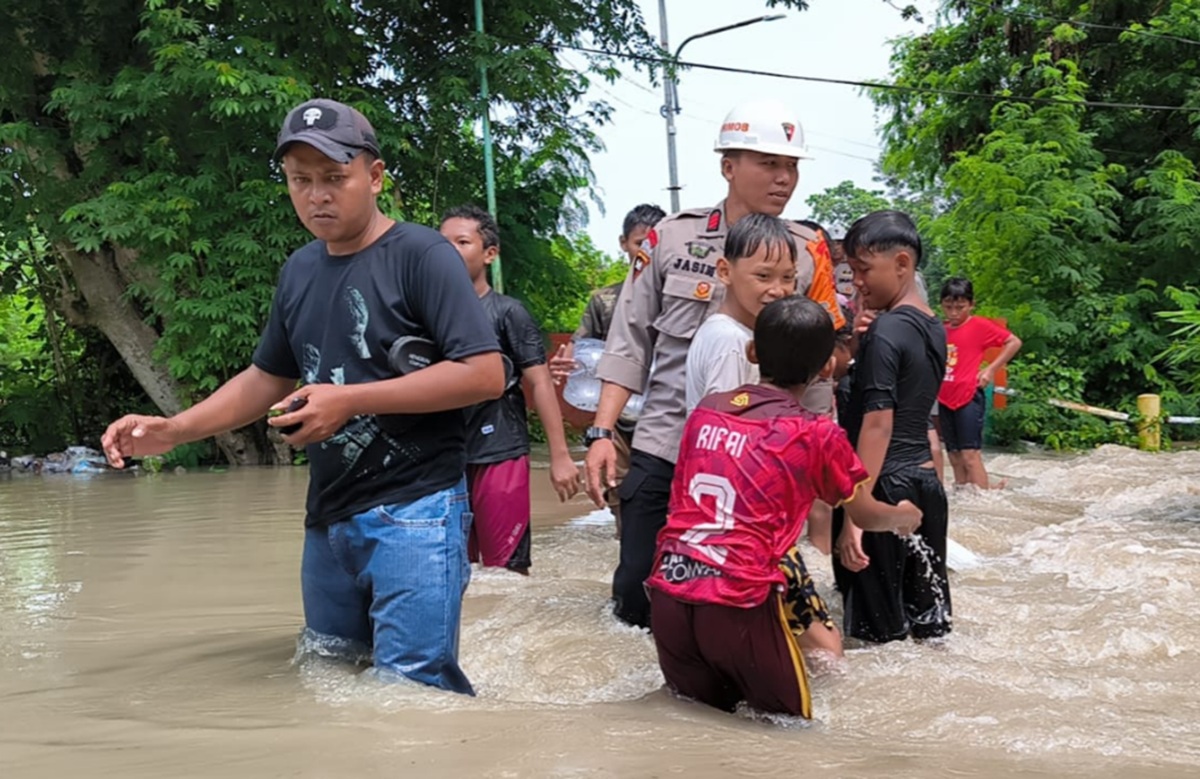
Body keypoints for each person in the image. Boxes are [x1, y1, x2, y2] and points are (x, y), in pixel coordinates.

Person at [99, 99, 506, 695]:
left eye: (334, 178)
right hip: (329, 517)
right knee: (329, 678)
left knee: (414, 696)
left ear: (374, 176)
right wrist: (174, 429)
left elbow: (483, 374)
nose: (317, 195)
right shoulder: (299, 270)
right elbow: (268, 377)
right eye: (300, 180)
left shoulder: (423, 255)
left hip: (415, 511)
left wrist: (350, 400)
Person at [584, 99, 844, 629]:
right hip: (667, 449)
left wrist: (820, 460)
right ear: (729, 166)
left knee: (749, 599)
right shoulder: (670, 240)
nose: (783, 178)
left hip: (760, 468)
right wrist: (602, 434)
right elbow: (629, 341)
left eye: (790, 166)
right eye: (768, 163)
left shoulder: (808, 251)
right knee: (638, 600)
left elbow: (818, 367)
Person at [647, 296, 922, 719]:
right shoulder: (816, 433)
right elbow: (865, 514)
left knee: (693, 720)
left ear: (752, 352)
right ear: (828, 367)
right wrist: (905, 515)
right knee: (789, 735)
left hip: (670, 586)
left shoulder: (705, 413)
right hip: (741, 599)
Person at [683, 214, 843, 664]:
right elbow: (728, 443)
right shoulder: (733, 343)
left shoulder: (739, 337)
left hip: (720, 531)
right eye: (763, 276)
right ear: (724, 271)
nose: (777, 289)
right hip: (745, 534)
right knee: (827, 650)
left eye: (788, 278)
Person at [439, 205, 580, 573]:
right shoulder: (425, 315)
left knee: (506, 574)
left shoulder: (508, 313)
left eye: (462, 242)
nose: (450, 250)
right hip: (442, 456)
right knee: (449, 570)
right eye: (443, 243)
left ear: (489, 253)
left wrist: (560, 456)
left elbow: (540, 382)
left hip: (499, 450)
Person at [833, 210, 952, 644]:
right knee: (929, 628)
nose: (857, 282)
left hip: (881, 488)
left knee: (874, 641)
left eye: (864, 269)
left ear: (902, 264)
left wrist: (855, 515)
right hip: (925, 484)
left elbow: (879, 424)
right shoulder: (933, 326)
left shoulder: (887, 330)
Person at [550, 204, 667, 530]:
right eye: (638, 242)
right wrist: (563, 366)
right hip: (619, 423)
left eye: (653, 242)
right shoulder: (605, 302)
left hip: (670, 418)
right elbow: (581, 355)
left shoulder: (682, 298)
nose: (646, 251)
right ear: (623, 243)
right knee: (624, 502)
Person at [937, 277, 1022, 489]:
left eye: (960, 307)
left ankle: (985, 502)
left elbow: (1014, 342)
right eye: (948, 307)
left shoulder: (980, 326)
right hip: (945, 398)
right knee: (954, 457)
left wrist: (991, 369)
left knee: (970, 455)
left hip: (968, 396)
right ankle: (965, 500)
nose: (954, 312)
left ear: (971, 304)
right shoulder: (940, 330)